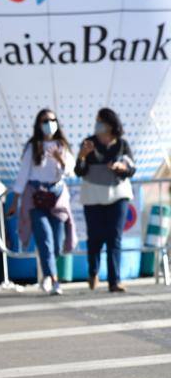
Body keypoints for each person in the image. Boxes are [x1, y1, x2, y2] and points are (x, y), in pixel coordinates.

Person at [8, 110, 75, 295]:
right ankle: (52, 278)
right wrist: (15, 200)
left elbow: (70, 170)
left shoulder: (62, 145)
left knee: (57, 242)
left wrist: (60, 159)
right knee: (44, 238)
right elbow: (22, 175)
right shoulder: (33, 146)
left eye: (53, 120)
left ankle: (48, 273)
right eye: (45, 121)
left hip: (57, 196)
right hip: (36, 196)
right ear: (38, 124)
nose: (49, 124)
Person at [75, 107, 135, 293]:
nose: (98, 125)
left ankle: (114, 280)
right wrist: (82, 156)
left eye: (101, 121)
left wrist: (120, 166)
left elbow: (131, 168)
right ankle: (93, 272)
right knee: (95, 239)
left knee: (114, 238)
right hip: (93, 197)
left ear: (111, 124)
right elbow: (79, 171)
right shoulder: (89, 143)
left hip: (118, 195)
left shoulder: (122, 144)